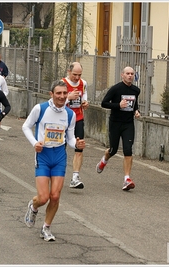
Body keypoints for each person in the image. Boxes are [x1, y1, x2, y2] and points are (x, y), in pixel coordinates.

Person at [22, 80, 86, 241]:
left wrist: (76, 144)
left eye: (65, 93)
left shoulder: (70, 114)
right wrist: (35, 143)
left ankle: (46, 228)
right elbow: (26, 126)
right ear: (51, 94)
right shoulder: (40, 109)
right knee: (43, 197)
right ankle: (34, 206)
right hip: (43, 155)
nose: (62, 96)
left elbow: (69, 139)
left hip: (59, 156)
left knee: (55, 196)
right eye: (58, 93)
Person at [95, 66, 141, 191]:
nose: (130, 76)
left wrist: (136, 112)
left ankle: (127, 178)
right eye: (127, 73)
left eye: (132, 73)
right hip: (115, 123)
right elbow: (104, 103)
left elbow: (134, 105)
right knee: (113, 150)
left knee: (128, 149)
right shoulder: (116, 89)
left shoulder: (136, 90)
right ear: (122, 75)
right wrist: (118, 105)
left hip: (128, 124)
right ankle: (104, 160)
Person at [62, 62, 89, 189]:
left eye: (79, 75)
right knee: (61, 148)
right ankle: (58, 175)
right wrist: (68, 98)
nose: (77, 78)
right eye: (74, 75)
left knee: (79, 147)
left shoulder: (83, 83)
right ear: (69, 71)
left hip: (78, 119)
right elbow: (54, 101)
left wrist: (85, 103)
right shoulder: (61, 83)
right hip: (63, 120)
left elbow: (84, 96)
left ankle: (75, 177)